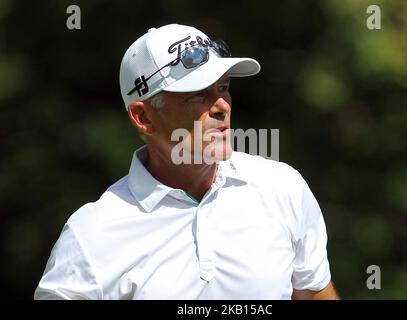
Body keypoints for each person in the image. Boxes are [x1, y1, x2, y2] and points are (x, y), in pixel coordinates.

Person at [35, 24, 339, 300]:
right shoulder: (90, 236)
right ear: (143, 117)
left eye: (223, 88)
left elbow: (314, 294)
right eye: (198, 95)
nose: (221, 106)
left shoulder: (282, 187)